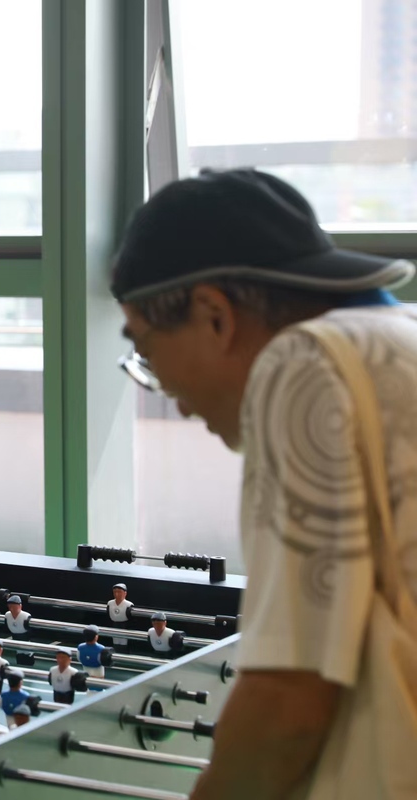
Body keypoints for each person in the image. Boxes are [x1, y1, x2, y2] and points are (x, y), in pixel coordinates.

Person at [110, 168, 417, 799]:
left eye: (147, 349)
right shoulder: (394, 338)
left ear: (214, 315)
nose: (174, 399)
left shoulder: (302, 365)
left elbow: (291, 697)